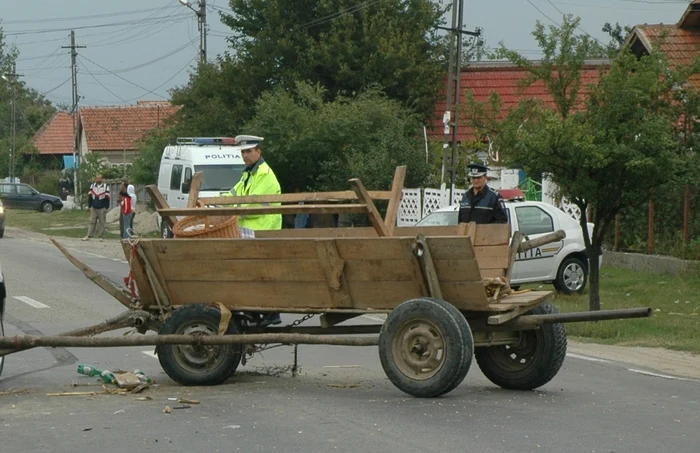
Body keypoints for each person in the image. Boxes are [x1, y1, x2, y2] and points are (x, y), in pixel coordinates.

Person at [220, 135, 283, 326]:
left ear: (258, 151)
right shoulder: (248, 174)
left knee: (260, 273)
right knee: (250, 273)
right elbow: (234, 194)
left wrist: (230, 210)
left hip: (263, 229)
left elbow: (251, 204)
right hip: (250, 230)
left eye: (249, 151)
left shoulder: (263, 174)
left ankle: (271, 313)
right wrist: (215, 203)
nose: (245, 155)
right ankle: (254, 312)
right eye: (243, 152)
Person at [82, 174, 110, 241]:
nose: (98, 179)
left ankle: (101, 236)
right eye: (97, 178)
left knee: (102, 222)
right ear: (96, 179)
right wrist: (89, 206)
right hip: (94, 207)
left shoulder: (105, 187)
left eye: (100, 178)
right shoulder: (92, 186)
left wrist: (106, 207)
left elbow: (107, 197)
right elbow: (90, 196)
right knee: (92, 221)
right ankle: (89, 235)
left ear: (102, 179)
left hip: (102, 207)